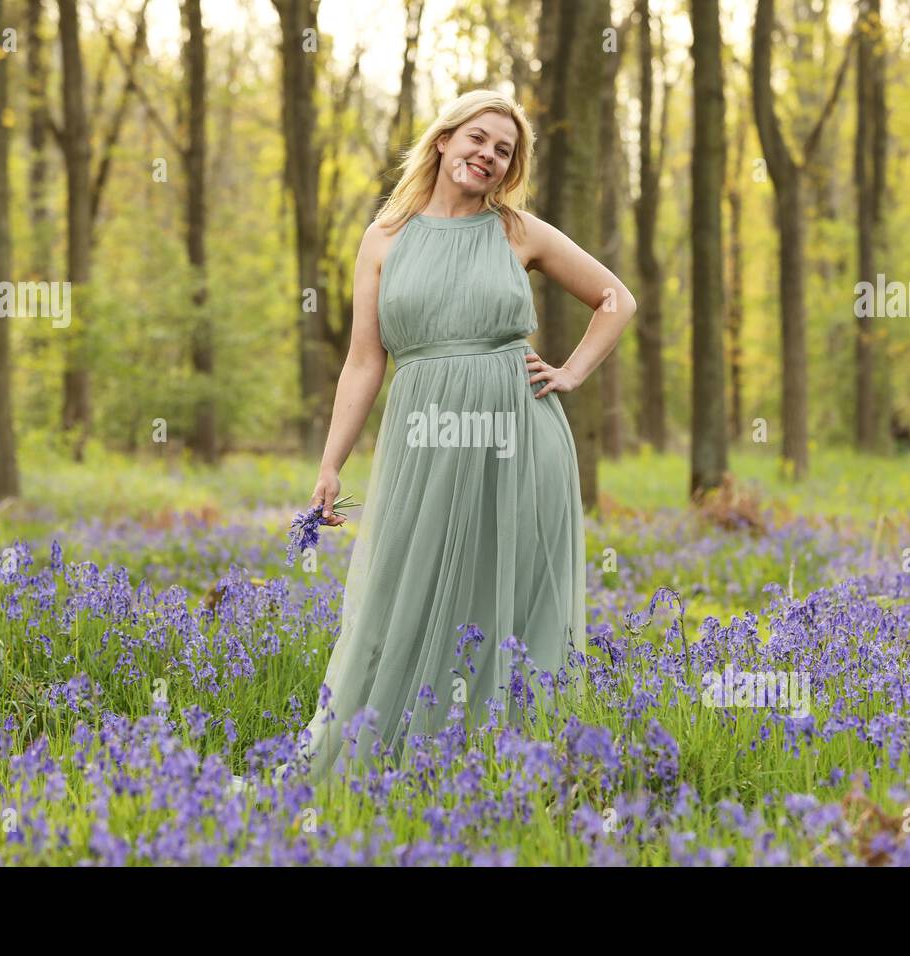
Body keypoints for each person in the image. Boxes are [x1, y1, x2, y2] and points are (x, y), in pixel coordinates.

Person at [263, 88, 636, 790]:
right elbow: (365, 360)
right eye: (478, 139)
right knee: (404, 585)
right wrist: (330, 464)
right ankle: (390, 758)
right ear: (443, 140)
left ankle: (511, 770)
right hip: (421, 438)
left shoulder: (518, 232)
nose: (488, 155)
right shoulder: (384, 238)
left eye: (504, 151)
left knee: (511, 593)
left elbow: (617, 299)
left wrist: (573, 372)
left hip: (520, 436)